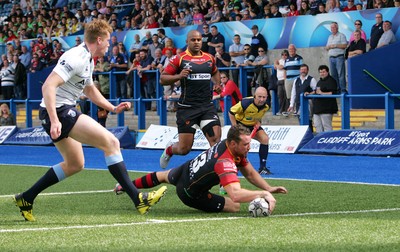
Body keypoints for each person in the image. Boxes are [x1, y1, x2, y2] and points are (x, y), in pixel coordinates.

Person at [12, 19, 167, 222]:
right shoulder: (76, 57)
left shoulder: (89, 59)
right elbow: (47, 86)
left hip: (60, 111)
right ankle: (138, 198)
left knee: (75, 164)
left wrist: (112, 107)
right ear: (99, 40)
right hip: (58, 111)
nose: (109, 46)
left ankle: (26, 197)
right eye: (108, 42)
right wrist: (54, 120)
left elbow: (89, 89)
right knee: (112, 143)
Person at [114, 125, 288, 214]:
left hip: (186, 169)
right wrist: (262, 194)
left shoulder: (229, 145)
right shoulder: (224, 161)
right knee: (235, 206)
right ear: (233, 143)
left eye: (249, 143)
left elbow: (249, 172)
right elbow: (235, 194)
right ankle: (126, 186)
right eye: (246, 144)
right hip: (190, 193)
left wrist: (268, 188)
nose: (249, 147)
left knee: (161, 176)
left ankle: (123, 185)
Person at [159, 30, 222, 169]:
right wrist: (178, 76)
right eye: (193, 40)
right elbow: (163, 78)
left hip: (207, 107)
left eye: (199, 40)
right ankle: (170, 149)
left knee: (216, 141)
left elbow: (215, 71)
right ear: (187, 41)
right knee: (184, 149)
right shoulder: (179, 59)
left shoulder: (209, 58)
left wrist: (217, 84)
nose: (197, 42)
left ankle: (222, 178)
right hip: (187, 109)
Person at [229, 87, 272, 175]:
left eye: (264, 97)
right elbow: (231, 112)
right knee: (242, 146)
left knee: (265, 139)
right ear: (254, 96)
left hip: (252, 125)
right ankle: (234, 166)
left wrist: (258, 121)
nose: (261, 99)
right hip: (241, 124)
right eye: (259, 97)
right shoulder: (245, 103)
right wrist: (235, 127)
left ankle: (262, 167)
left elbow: (258, 114)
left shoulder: (267, 105)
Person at [288, 64, 317, 130]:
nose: (303, 71)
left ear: (308, 70)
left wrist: (309, 93)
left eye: (305, 69)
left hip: (308, 104)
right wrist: (291, 105)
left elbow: (316, 91)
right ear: (299, 71)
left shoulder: (312, 79)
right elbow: (293, 93)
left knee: (308, 121)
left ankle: (310, 136)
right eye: (302, 69)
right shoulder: (296, 80)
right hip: (298, 104)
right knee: (301, 121)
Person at [312, 65, 338, 133]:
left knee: (326, 126)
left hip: (327, 108)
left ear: (327, 72)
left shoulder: (332, 81)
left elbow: (333, 92)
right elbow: (316, 91)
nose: (322, 74)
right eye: (320, 72)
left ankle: (328, 141)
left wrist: (322, 93)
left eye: (323, 72)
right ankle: (319, 141)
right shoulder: (319, 81)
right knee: (317, 125)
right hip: (317, 108)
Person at [326, 22, 347, 93]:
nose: (332, 29)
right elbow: (326, 47)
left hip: (339, 57)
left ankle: (343, 89)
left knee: (341, 75)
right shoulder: (329, 37)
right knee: (333, 75)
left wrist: (335, 45)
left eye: (333, 27)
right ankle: (337, 89)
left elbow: (344, 45)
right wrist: (328, 47)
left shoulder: (341, 35)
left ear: (337, 28)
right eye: (331, 28)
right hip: (331, 58)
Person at [284, 44, 303, 115]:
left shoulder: (299, 58)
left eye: (292, 49)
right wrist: (285, 79)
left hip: (296, 79)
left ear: (295, 50)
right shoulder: (287, 59)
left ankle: (297, 109)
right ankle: (291, 109)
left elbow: (302, 69)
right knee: (289, 95)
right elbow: (285, 70)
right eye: (290, 49)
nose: (291, 50)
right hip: (288, 80)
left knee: (296, 94)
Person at [274, 50, 288, 116]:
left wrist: (276, 65)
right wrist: (276, 64)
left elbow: (281, 67)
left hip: (285, 80)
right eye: (283, 54)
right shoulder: (280, 61)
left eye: (285, 55)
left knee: (286, 96)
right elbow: (275, 66)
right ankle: (281, 110)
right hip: (279, 80)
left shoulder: (288, 61)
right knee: (280, 96)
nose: (284, 56)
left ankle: (285, 110)